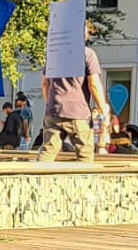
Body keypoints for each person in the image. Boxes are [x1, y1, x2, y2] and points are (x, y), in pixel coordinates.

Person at [39, 22, 109, 162]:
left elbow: (45, 83)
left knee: (47, 152)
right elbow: (93, 84)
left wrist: (50, 104)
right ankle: (84, 182)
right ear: (84, 37)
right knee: (84, 155)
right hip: (78, 112)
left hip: (53, 111)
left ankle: (35, 181)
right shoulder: (88, 54)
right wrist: (103, 108)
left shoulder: (54, 55)